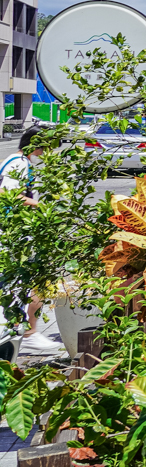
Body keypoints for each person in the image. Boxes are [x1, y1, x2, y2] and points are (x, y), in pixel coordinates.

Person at [0, 129, 64, 357]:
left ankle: (26, 332)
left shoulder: (16, 161)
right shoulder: (18, 163)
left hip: (14, 233)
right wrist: (43, 207)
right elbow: (9, 194)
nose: (47, 152)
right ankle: (25, 334)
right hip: (13, 233)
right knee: (26, 282)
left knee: (25, 283)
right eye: (46, 147)